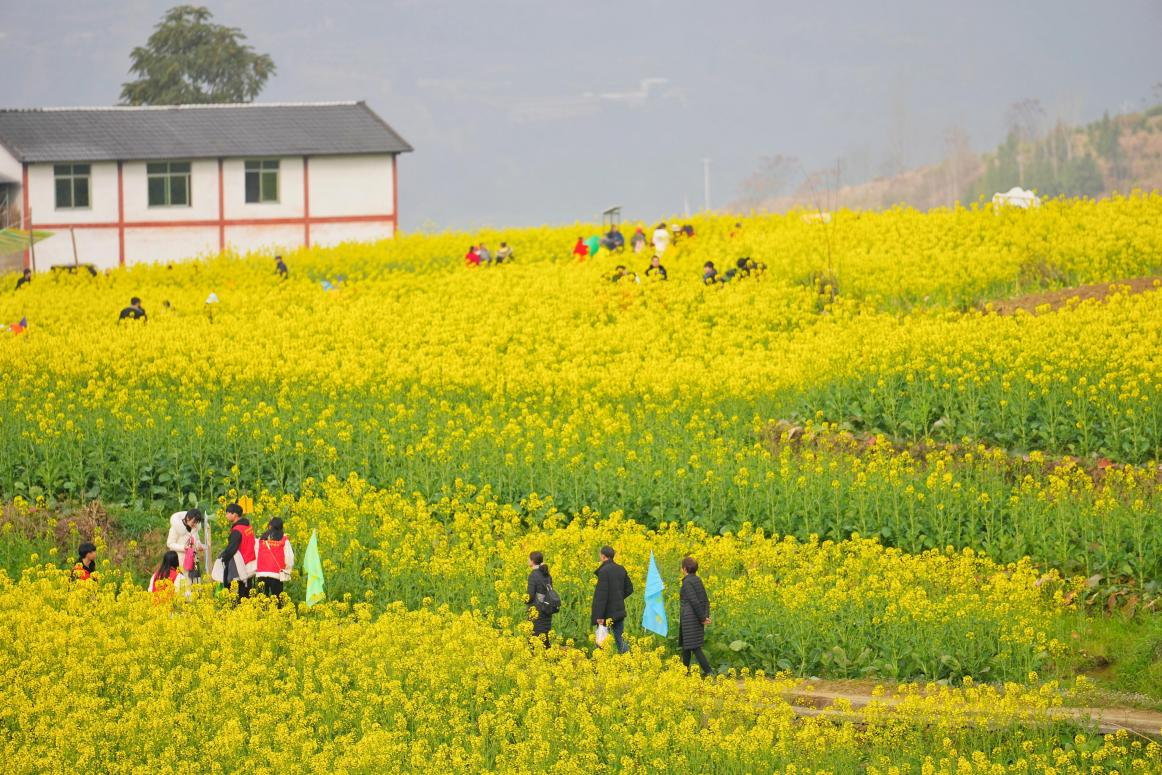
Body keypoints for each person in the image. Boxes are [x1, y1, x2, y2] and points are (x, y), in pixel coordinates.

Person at [591, 545, 633, 654]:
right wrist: (618, 598)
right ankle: (628, 663)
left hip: (605, 614)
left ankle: (600, 665)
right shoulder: (621, 569)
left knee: (602, 642)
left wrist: (599, 616)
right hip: (618, 612)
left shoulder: (604, 571)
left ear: (603, 556)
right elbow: (629, 589)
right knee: (620, 639)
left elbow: (601, 596)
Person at [679, 556, 713, 677]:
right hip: (695, 618)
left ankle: (709, 671)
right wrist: (705, 616)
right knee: (687, 646)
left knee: (694, 647)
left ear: (684, 569)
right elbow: (705, 600)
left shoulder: (687, 582)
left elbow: (694, 601)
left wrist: (703, 618)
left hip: (690, 619)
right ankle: (684, 672)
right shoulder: (697, 580)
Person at [218, 503, 256, 599]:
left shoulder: (237, 530)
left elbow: (232, 549)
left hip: (240, 564)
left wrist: (223, 558)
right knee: (248, 589)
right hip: (250, 562)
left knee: (239, 591)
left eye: (228, 513)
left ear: (234, 515)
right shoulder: (248, 527)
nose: (226, 516)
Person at [255, 517, 295, 600]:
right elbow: (289, 558)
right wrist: (287, 570)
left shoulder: (262, 538)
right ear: (281, 527)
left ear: (269, 526)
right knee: (278, 601)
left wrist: (256, 569)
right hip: (276, 574)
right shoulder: (284, 540)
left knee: (261, 601)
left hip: (262, 573)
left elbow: (256, 554)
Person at [526, 551, 556, 647]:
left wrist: (524, 599)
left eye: (529, 559)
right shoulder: (547, 574)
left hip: (536, 611)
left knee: (533, 638)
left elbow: (530, 596)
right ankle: (548, 659)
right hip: (547, 608)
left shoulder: (533, 575)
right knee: (545, 638)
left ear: (532, 561)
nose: (528, 560)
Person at [167, 509, 205, 581]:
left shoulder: (194, 528)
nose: (195, 524)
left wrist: (199, 544)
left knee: (196, 580)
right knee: (184, 581)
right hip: (181, 559)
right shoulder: (176, 528)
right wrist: (183, 547)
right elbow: (170, 543)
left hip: (194, 558)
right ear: (187, 518)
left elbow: (196, 540)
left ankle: (197, 592)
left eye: (197, 522)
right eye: (194, 522)